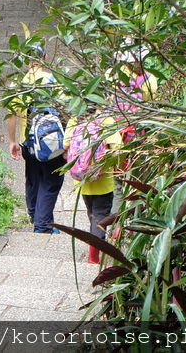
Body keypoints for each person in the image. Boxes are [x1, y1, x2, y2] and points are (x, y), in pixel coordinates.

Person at [6, 44, 64, 233]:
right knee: (51, 180)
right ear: (44, 57)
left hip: (28, 141)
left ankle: (35, 215)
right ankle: (43, 225)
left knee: (33, 179)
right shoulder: (52, 81)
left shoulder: (18, 85)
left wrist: (12, 141)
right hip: (50, 141)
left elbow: (11, 115)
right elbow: (65, 110)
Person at [65, 109, 123, 263]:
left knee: (92, 213)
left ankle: (95, 246)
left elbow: (65, 145)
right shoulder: (106, 120)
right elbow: (117, 148)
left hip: (81, 179)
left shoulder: (75, 118)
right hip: (103, 180)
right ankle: (94, 256)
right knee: (100, 215)